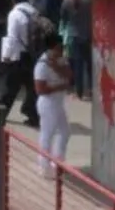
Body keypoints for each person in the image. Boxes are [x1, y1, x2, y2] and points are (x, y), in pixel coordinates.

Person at [0, 0, 49, 127]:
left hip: (18, 55)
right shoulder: (34, 11)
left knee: (11, 85)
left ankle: (0, 111)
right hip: (32, 54)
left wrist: (6, 56)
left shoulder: (15, 14)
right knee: (31, 86)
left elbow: (12, 37)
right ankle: (33, 115)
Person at [34, 32, 73, 179]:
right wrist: (60, 86)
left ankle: (58, 161)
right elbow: (40, 89)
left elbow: (69, 75)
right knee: (47, 134)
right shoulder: (41, 65)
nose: (62, 50)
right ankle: (43, 166)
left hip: (58, 102)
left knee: (65, 131)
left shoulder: (61, 61)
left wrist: (57, 67)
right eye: (59, 47)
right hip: (48, 103)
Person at [60, 0, 93, 100]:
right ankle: (91, 89)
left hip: (73, 35)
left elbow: (63, 18)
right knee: (89, 64)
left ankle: (78, 92)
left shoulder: (66, 0)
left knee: (77, 65)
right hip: (88, 34)